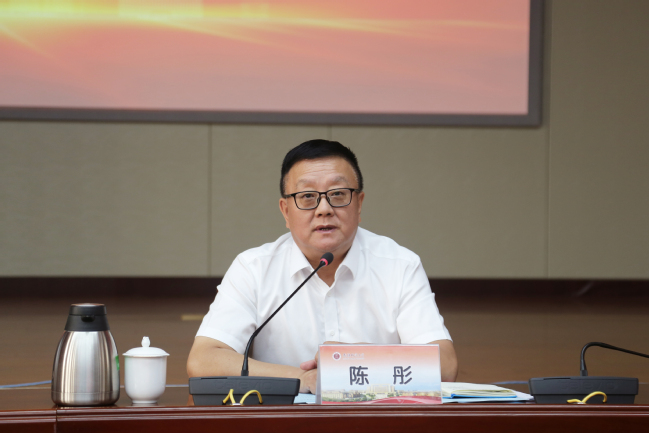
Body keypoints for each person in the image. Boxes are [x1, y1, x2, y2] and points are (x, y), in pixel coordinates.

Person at [187, 139, 457, 393]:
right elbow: (203, 361)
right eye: (307, 196)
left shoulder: (399, 265)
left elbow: (444, 366)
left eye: (338, 194)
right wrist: (302, 378)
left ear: (359, 204)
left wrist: (354, 359)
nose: (324, 209)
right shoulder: (254, 269)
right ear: (285, 211)